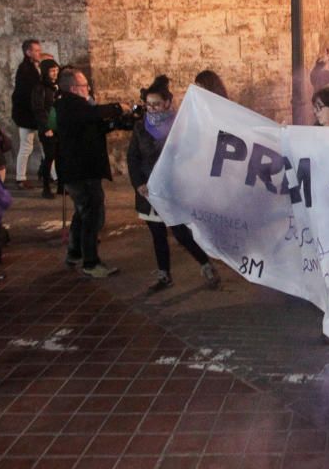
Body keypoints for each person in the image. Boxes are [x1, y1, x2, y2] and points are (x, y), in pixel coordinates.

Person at [128, 76, 221, 293]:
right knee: (157, 234)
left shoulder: (180, 125)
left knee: (180, 232)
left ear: (168, 103)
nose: (151, 108)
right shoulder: (140, 128)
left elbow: (191, 154)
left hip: (173, 190)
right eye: (148, 104)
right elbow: (133, 157)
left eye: (156, 104)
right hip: (148, 192)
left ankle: (205, 264)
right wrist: (138, 183)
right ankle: (164, 274)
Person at [54, 68, 129, 278]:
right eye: (85, 85)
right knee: (91, 216)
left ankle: (74, 253)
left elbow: (90, 127)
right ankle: (91, 262)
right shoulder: (70, 104)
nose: (88, 89)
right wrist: (117, 108)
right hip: (82, 172)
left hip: (80, 171)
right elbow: (93, 114)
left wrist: (114, 124)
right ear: (73, 88)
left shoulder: (73, 107)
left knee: (82, 212)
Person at [11, 39, 42, 189]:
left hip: (31, 115)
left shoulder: (32, 68)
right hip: (27, 115)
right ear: (28, 52)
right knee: (26, 146)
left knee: (43, 145)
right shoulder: (25, 70)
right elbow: (27, 94)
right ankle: (20, 178)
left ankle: (54, 175)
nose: (39, 52)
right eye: (36, 50)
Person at [31, 59, 60, 199]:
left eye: (56, 70)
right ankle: (46, 187)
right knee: (49, 156)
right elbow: (39, 109)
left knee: (58, 155)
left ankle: (61, 185)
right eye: (52, 70)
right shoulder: (40, 88)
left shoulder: (56, 86)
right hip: (47, 127)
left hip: (58, 126)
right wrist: (46, 127)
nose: (55, 73)